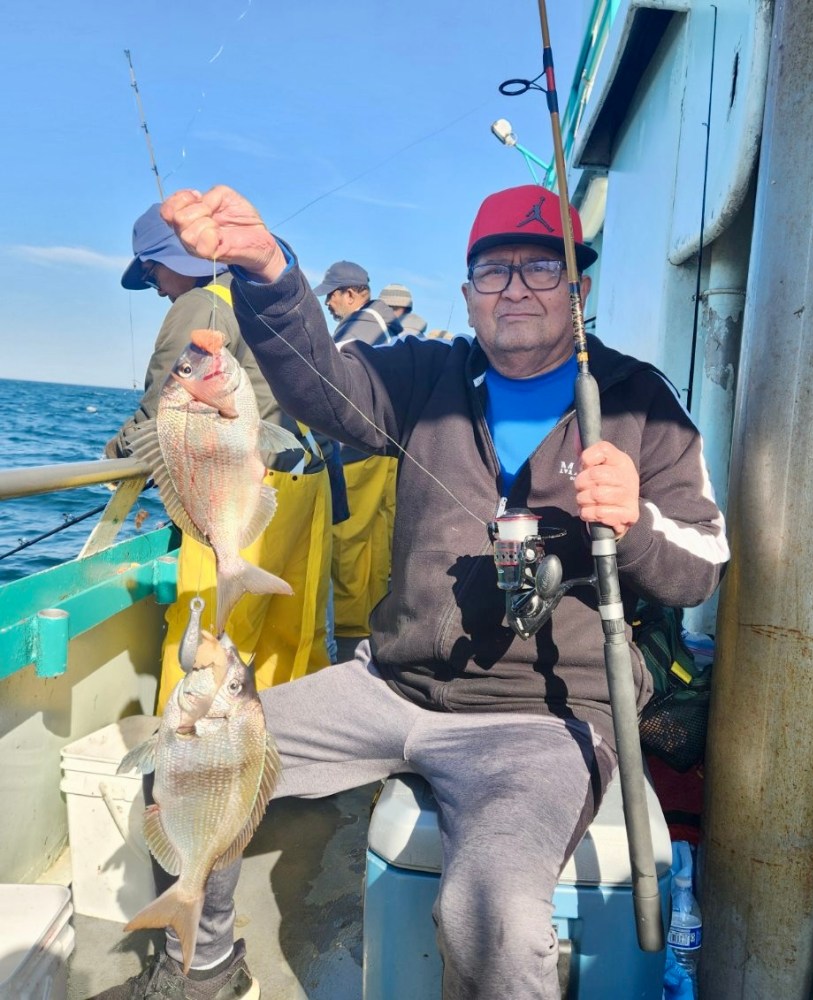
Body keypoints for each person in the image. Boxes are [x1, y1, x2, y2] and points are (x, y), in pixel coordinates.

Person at [91, 182, 729, 1000]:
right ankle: (206, 970)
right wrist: (264, 268)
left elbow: (702, 566)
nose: (517, 290)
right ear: (468, 296)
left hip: (543, 721)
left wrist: (632, 521)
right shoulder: (430, 373)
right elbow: (318, 386)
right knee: (187, 761)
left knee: (489, 912)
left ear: (580, 291)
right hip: (389, 685)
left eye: (542, 269)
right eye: (494, 274)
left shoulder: (643, 402)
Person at [107, 203, 337, 709]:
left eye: (152, 271)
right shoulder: (263, 296)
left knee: (207, 635)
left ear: (175, 258)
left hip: (240, 487)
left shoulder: (197, 306)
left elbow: (160, 411)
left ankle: (188, 763)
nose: (157, 287)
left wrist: (113, 456)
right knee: (292, 633)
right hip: (306, 480)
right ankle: (279, 757)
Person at [313, 260, 400, 661]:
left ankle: (347, 634)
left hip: (356, 451)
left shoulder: (360, 327)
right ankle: (368, 619)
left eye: (331, 296)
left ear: (352, 293)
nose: (329, 306)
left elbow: (332, 387)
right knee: (373, 539)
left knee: (347, 540)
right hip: (384, 450)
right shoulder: (387, 323)